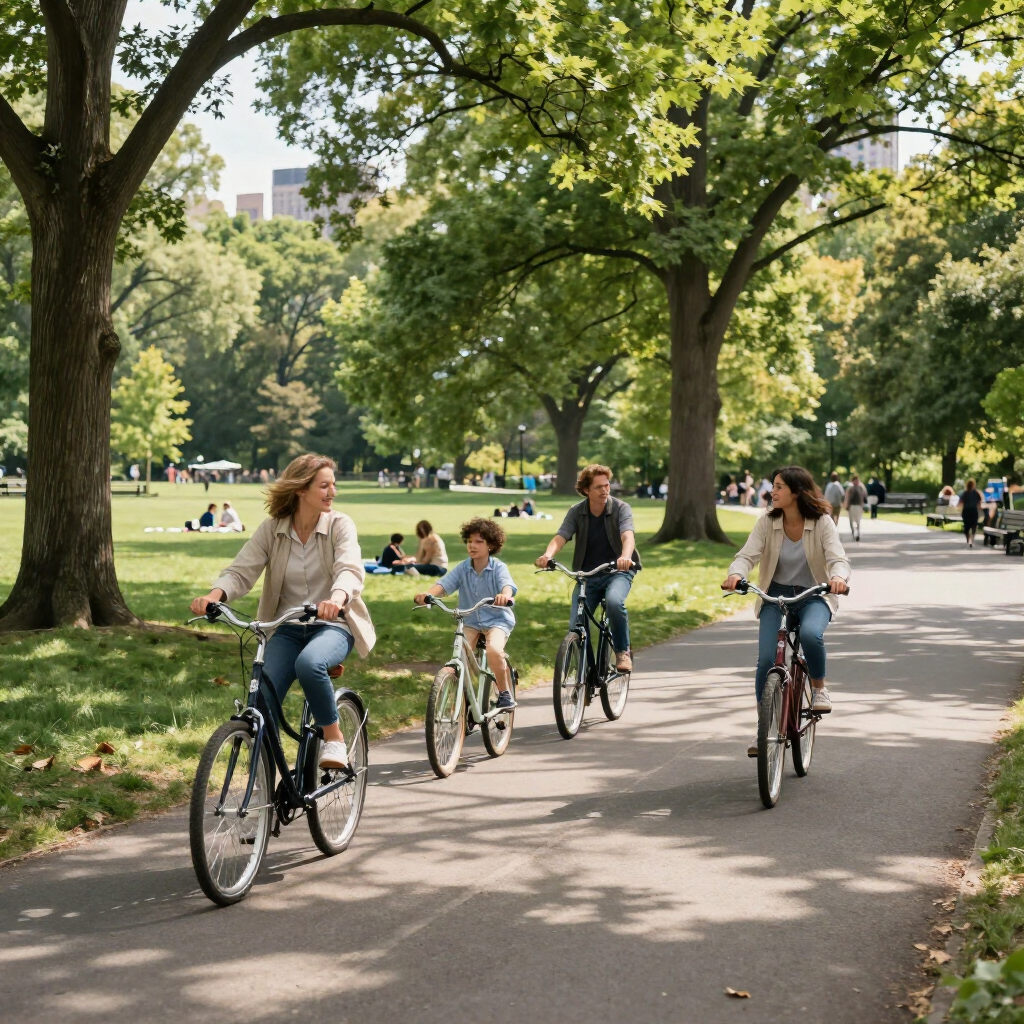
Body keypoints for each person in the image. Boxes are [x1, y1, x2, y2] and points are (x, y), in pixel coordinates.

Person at [190, 454, 376, 770]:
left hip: (333, 625)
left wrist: (337, 597)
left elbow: (349, 568)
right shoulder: (273, 529)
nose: (332, 492)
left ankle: (334, 739)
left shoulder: (339, 525)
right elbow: (241, 571)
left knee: (310, 663)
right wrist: (214, 595)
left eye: (333, 485)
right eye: (324, 486)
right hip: (286, 628)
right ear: (300, 490)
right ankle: (264, 777)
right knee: (261, 693)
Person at [721, 466, 851, 757]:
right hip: (774, 595)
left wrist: (839, 578)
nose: (773, 491)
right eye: (774, 486)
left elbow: (837, 558)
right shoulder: (767, 522)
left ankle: (819, 689)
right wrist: (735, 574)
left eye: (779, 486)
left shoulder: (821, 522)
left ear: (796, 491)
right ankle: (764, 728)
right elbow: (747, 555)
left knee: (810, 633)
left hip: (812, 594)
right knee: (767, 659)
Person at [535, 464, 640, 673]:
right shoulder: (577, 512)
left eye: (607, 485)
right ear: (586, 490)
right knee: (576, 623)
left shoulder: (621, 508)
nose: (604, 490)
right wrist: (548, 555)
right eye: (598, 487)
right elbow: (561, 536)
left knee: (614, 602)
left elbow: (627, 535)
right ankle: (584, 672)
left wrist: (625, 557)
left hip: (617, 571)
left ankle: (622, 651)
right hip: (587, 575)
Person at [414, 518, 518, 710]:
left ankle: (504, 694)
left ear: (491, 545)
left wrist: (505, 596)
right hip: (471, 620)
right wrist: (428, 594)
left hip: (497, 620)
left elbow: (507, 585)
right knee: (460, 656)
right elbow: (444, 585)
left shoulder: (498, 567)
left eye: (479, 541)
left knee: (494, 650)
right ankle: (465, 699)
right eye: (470, 541)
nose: (472, 545)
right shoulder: (463, 568)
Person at [959, 478, 984, 547]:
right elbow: (980, 503)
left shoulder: (965, 493)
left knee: (966, 527)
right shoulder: (976, 493)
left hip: (966, 511)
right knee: (974, 526)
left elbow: (960, 502)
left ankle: (968, 539)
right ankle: (971, 540)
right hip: (973, 511)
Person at [843, 474, 867, 541]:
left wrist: (862, 506)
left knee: (858, 520)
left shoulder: (861, 488)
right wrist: (847, 505)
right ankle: (853, 532)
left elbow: (863, 497)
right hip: (851, 506)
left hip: (858, 506)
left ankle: (858, 533)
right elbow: (847, 497)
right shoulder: (850, 488)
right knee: (851, 520)